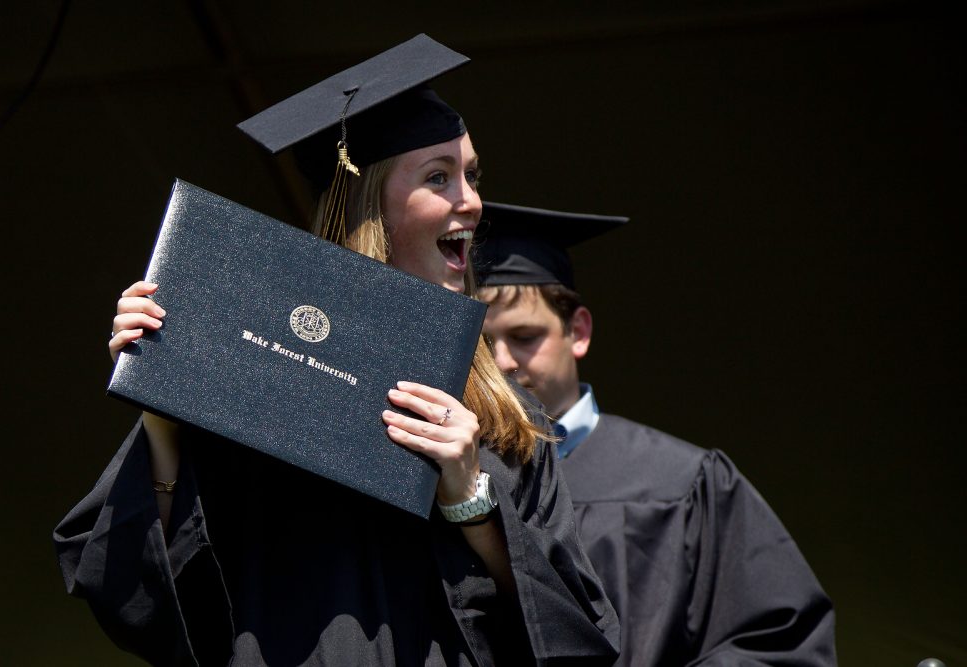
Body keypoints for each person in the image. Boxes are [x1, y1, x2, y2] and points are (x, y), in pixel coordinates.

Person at [54, 36, 619, 666]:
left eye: (471, 176)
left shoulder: (504, 420)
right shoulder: (251, 379)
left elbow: (582, 635)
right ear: (370, 202)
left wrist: (471, 502)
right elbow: (125, 591)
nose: (472, 201)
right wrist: (165, 404)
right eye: (439, 178)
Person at [474, 201, 837, 666]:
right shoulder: (449, 478)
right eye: (483, 344)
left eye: (526, 337)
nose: (503, 362)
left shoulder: (684, 485)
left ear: (578, 332)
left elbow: (776, 645)